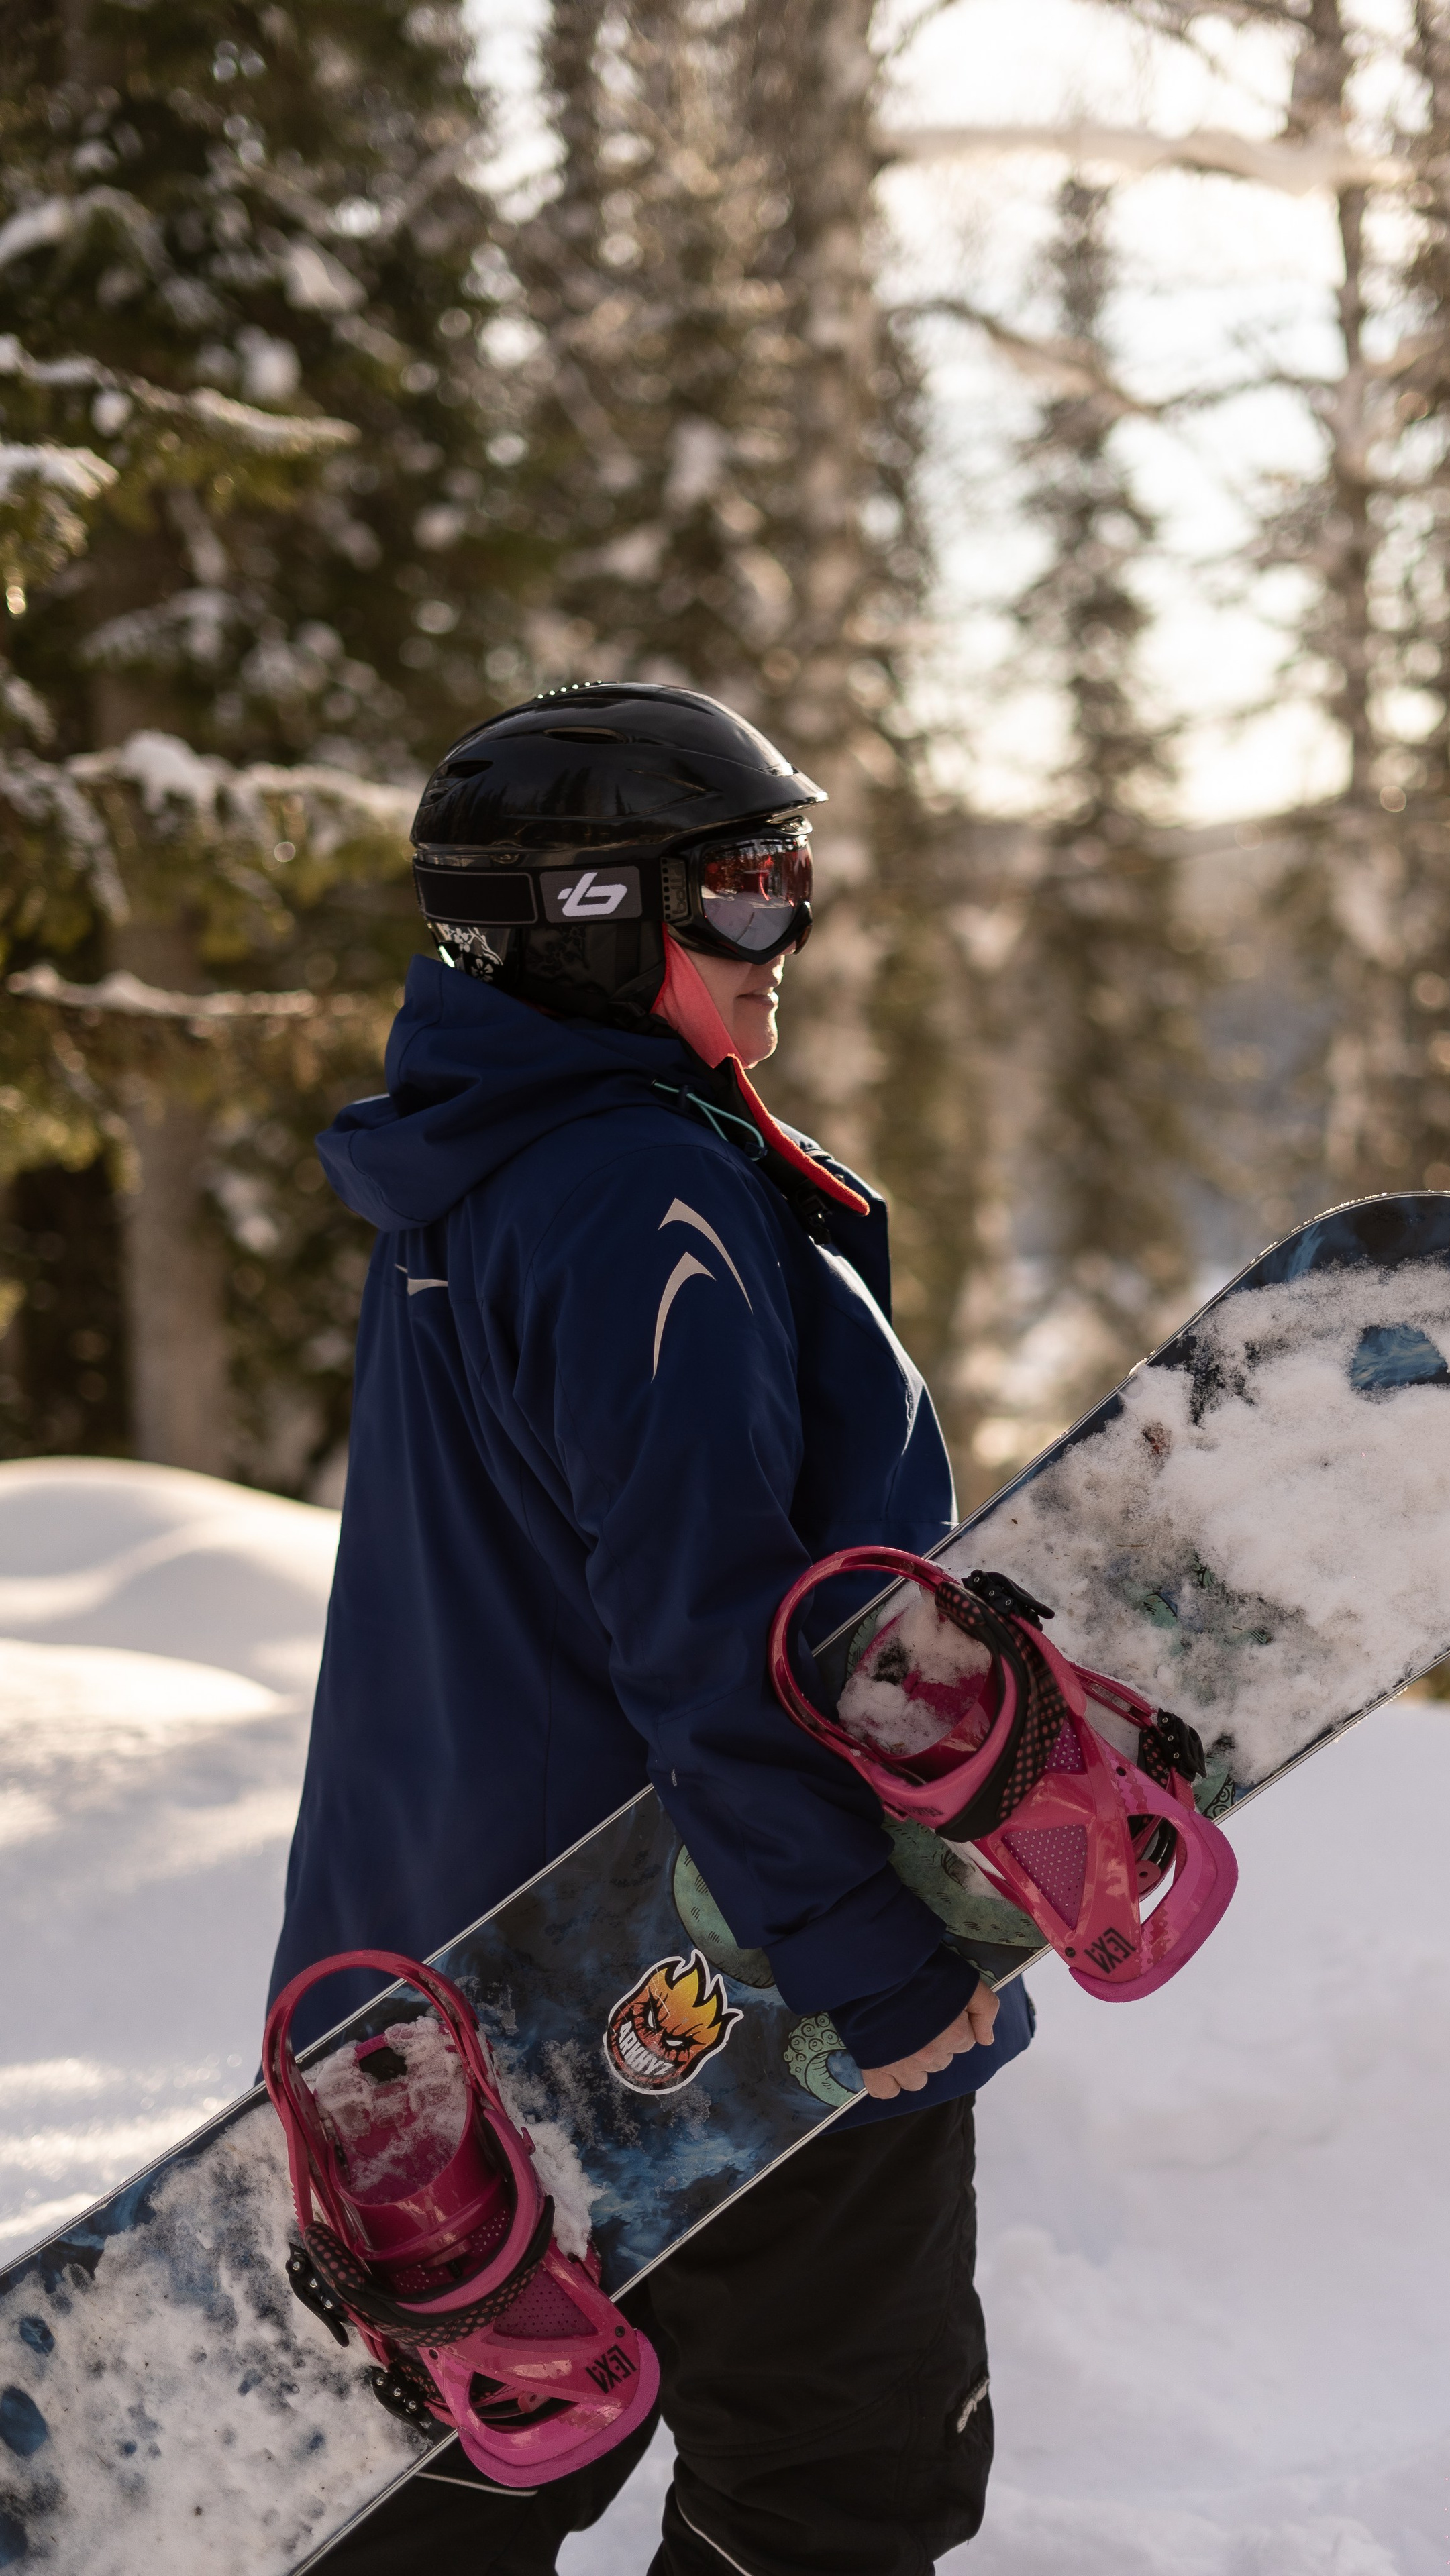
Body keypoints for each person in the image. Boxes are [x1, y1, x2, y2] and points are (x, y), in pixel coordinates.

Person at [268, 682, 1034, 2575]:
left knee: (484, 2469)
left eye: (795, 876)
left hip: (450, 1963)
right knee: (841, 2488)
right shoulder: (636, 1191)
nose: (791, 928)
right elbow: (711, 1618)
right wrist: (863, 1956)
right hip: (707, 1948)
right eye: (750, 885)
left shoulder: (486, 1168)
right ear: (598, 917)